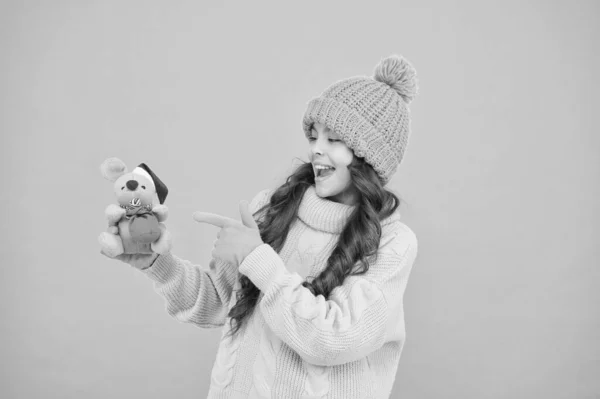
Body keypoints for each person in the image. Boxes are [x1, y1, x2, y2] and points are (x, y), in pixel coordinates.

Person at [101, 54, 420, 399]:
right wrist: (156, 264)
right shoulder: (272, 208)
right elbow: (219, 303)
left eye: (334, 140)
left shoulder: (393, 243)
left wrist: (256, 256)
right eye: (315, 136)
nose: (316, 150)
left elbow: (332, 338)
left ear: (368, 157)